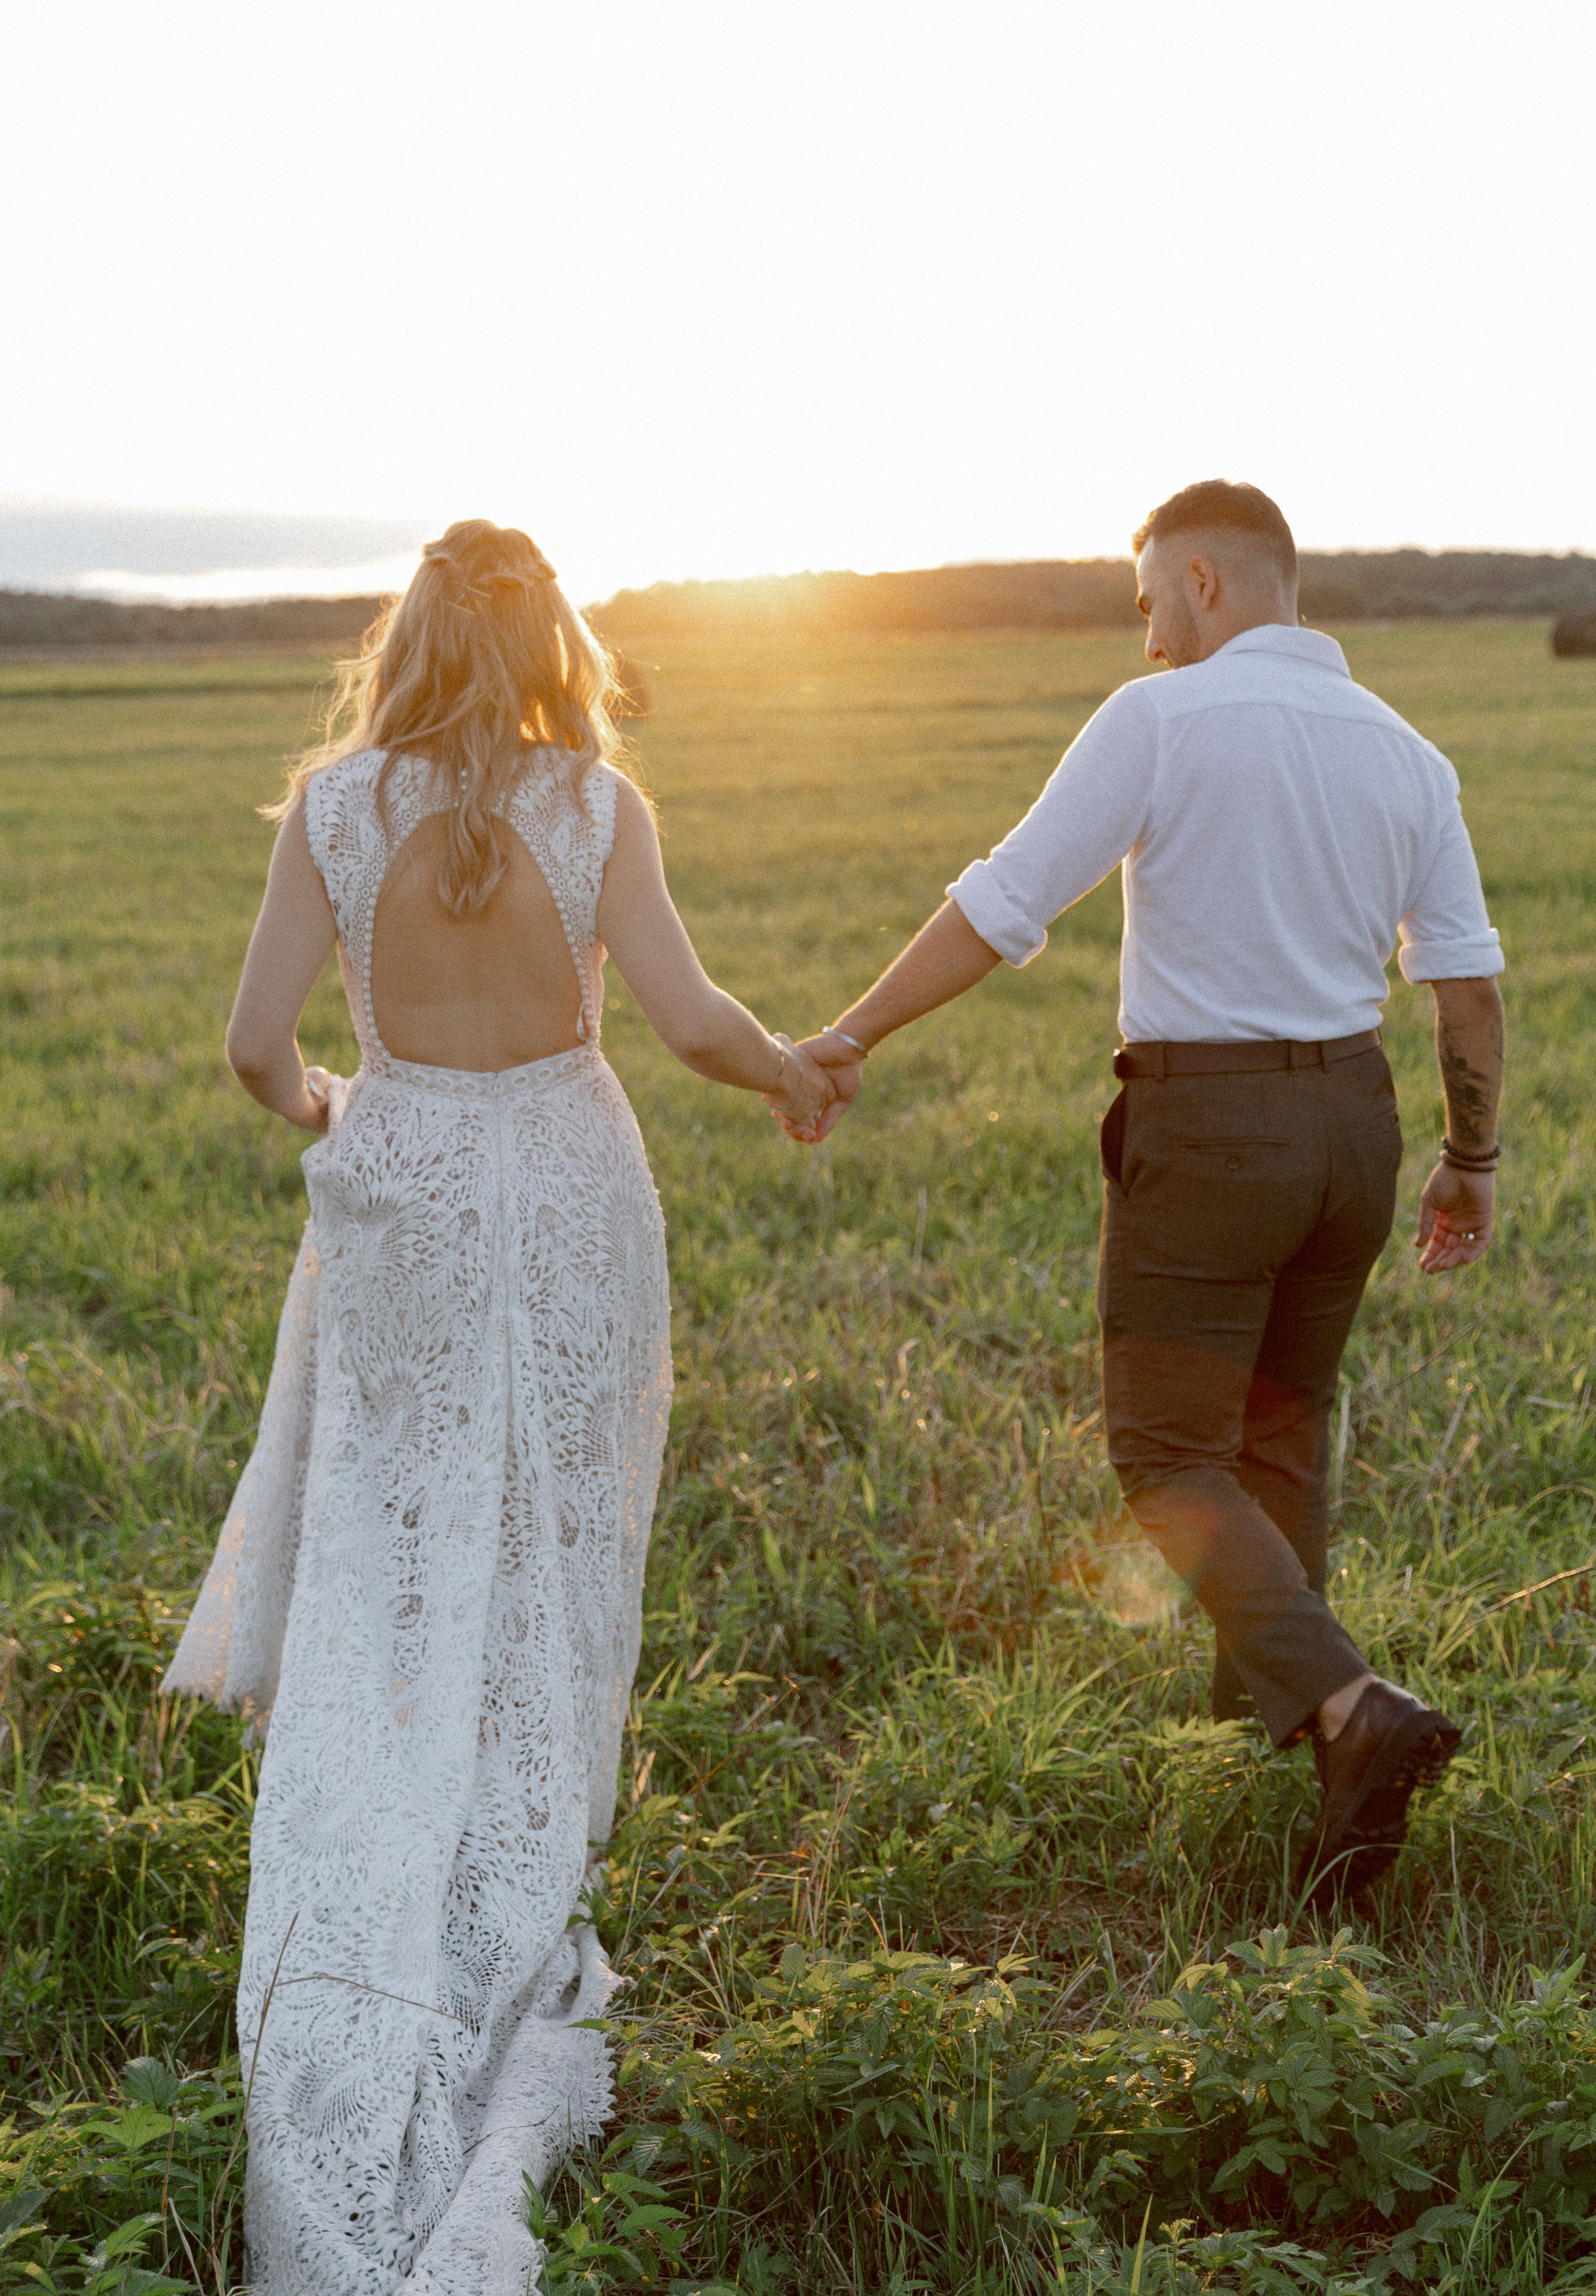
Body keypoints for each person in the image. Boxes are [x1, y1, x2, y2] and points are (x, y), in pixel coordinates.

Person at [162, 520, 832, 2294]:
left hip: (401, 1188)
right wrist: (789, 1069)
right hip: (572, 1189)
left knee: (400, 1524)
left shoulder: (332, 810)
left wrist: (334, 1105)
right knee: (554, 1531)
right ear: (552, 644)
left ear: (405, 640)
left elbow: (252, 1045)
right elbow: (689, 1019)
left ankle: (397, 1818)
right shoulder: (598, 807)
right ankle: (519, 1838)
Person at [790, 480, 1504, 1908]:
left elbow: (1004, 903)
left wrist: (851, 1033)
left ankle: (1352, 1710)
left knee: (1168, 1456)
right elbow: (1465, 988)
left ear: (1203, 579)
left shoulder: (1161, 721)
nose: (1148, 637)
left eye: (1148, 604)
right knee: (1278, 1429)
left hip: (1211, 1130)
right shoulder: (1407, 752)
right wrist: (1469, 1159)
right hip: (1356, 1127)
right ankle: (1278, 1746)